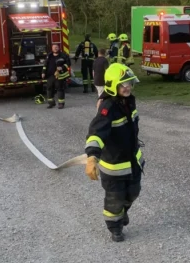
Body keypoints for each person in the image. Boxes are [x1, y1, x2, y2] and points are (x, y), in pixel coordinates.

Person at [84, 63, 144, 242]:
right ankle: (115, 228)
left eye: (129, 83)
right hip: (115, 166)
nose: (127, 87)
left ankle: (122, 212)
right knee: (114, 200)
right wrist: (92, 157)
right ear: (112, 85)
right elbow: (96, 133)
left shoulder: (129, 101)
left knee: (133, 192)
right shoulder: (108, 108)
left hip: (132, 161)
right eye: (123, 84)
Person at [42, 43, 71, 109]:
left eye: (56, 47)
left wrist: (62, 67)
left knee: (60, 89)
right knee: (49, 89)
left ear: (59, 48)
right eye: (54, 47)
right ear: (52, 48)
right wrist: (43, 72)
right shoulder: (49, 55)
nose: (55, 48)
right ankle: (51, 103)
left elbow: (68, 63)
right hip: (50, 75)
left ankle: (61, 104)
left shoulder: (63, 55)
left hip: (60, 75)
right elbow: (45, 65)